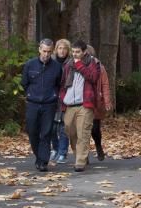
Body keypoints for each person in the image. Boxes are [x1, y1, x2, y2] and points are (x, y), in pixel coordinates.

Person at [22, 38, 62, 171]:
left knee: (46, 133)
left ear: (52, 51)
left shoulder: (56, 67)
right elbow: (24, 83)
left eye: (49, 52)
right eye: (44, 51)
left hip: (49, 104)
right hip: (32, 103)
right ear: (39, 49)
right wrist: (30, 94)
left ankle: (43, 162)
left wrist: (53, 95)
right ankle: (39, 157)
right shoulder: (30, 65)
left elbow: (58, 84)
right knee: (32, 131)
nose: (46, 54)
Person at [59, 39, 100, 172]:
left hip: (85, 104)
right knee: (70, 131)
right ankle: (81, 155)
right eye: (73, 51)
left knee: (83, 132)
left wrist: (80, 66)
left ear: (84, 52)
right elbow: (63, 83)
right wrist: (62, 97)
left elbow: (93, 78)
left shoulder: (93, 63)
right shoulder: (68, 64)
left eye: (78, 52)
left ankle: (80, 161)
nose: (75, 54)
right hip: (70, 104)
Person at [87, 45, 112, 161]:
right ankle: (83, 155)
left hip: (96, 102)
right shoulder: (78, 66)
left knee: (95, 129)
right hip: (82, 101)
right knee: (82, 129)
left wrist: (106, 100)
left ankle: (98, 146)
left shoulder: (100, 67)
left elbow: (105, 85)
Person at [50, 39, 71, 164]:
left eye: (64, 48)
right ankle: (56, 148)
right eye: (59, 48)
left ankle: (63, 152)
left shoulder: (71, 63)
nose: (62, 51)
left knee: (63, 127)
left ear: (68, 50)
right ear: (56, 49)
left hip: (66, 98)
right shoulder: (51, 62)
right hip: (52, 97)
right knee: (52, 127)